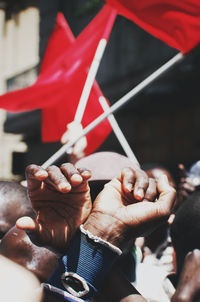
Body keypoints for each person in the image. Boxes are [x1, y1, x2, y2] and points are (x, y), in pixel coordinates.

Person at [16, 160, 176, 302]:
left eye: (128, 198)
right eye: (93, 193)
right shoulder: (26, 245)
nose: (100, 206)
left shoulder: (155, 281)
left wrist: (92, 243)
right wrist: (91, 244)